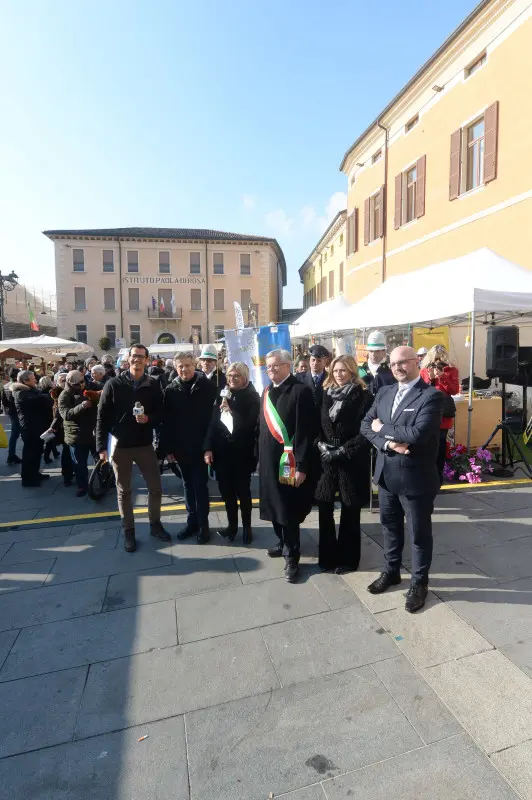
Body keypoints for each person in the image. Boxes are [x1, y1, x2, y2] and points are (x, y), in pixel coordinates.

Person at [360, 346, 444, 613]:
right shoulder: (384, 392)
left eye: (403, 362)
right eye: (393, 363)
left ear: (416, 362)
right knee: (389, 528)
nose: (397, 367)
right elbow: (365, 426)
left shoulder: (431, 396)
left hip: (416, 479)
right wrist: (388, 444)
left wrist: (382, 428)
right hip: (386, 476)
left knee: (419, 534)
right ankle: (392, 571)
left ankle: (419, 583)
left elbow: (418, 433)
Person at [96, 344, 171, 552]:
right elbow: (101, 416)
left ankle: (155, 524)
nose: (137, 359)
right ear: (128, 358)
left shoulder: (153, 384)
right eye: (134, 356)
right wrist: (101, 447)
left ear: (147, 360)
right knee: (124, 490)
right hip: (120, 446)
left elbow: (161, 414)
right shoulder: (113, 383)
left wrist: (149, 418)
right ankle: (128, 531)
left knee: (155, 487)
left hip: (144, 444)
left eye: (141, 356)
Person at [259, 349, 318, 583]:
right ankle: (282, 541)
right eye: (268, 366)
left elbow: (305, 432)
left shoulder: (300, 391)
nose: (271, 369)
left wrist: (302, 465)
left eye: (275, 365)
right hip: (268, 461)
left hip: (289, 461)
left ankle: (292, 557)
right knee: (274, 505)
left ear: (287, 366)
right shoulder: (266, 391)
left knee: (288, 509)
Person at [315, 356, 373, 573]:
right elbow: (316, 425)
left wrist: (342, 450)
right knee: (324, 507)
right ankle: (327, 557)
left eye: (343, 370)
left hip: (351, 461)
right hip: (327, 461)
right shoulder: (325, 394)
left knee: (350, 511)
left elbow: (367, 432)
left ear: (352, 372)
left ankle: (348, 560)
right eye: (335, 371)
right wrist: (320, 444)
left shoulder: (364, 397)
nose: (338, 375)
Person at [160, 352, 218, 543]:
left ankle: (203, 525)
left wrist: (209, 446)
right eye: (180, 366)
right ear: (176, 368)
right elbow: (166, 422)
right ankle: (191, 522)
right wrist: (168, 449)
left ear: (195, 365)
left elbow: (213, 420)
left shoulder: (208, 387)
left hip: (202, 447)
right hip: (181, 448)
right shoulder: (171, 390)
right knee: (187, 485)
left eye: (188, 365)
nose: (184, 369)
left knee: (200, 485)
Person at [204, 362, 260, 543]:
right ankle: (232, 526)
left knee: (243, 492)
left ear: (245, 377)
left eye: (237, 376)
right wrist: (208, 447)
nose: (232, 379)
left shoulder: (252, 397)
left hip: (242, 453)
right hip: (222, 453)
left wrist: (232, 412)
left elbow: (250, 425)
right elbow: (212, 423)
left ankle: (247, 528)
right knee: (227, 492)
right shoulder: (222, 394)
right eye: (230, 375)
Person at [420, 345, 460, 482]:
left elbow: (454, 390)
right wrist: (430, 379)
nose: (437, 362)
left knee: (441, 444)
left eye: (440, 360)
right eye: (435, 359)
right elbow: (420, 391)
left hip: (443, 413)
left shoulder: (451, 370)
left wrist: (442, 377)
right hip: (427, 412)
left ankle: (438, 477)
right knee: (427, 444)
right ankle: (427, 475)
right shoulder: (425, 370)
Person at [59, 370, 98, 497]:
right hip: (76, 435)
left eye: (82, 382)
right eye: (78, 383)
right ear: (70, 383)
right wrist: (81, 406)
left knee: (100, 459)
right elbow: (66, 414)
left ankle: (106, 479)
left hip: (93, 431)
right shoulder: (64, 395)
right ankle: (82, 486)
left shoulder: (90, 387)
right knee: (79, 464)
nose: (81, 385)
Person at [12, 370, 54, 487]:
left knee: (37, 452)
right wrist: (47, 396)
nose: (35, 380)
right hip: (29, 428)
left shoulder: (31, 390)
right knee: (30, 454)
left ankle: (35, 473)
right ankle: (28, 479)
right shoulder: (21, 393)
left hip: (38, 426)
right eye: (33, 378)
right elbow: (40, 400)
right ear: (25, 381)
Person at [49, 372, 74, 486]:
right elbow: (57, 413)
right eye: (62, 380)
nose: (64, 382)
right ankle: (67, 475)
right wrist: (53, 426)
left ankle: (70, 472)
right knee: (67, 451)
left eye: (66, 379)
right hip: (63, 426)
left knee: (71, 451)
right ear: (57, 382)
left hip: (72, 425)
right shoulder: (56, 394)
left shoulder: (73, 390)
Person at [360, 330, 396, 395]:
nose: (373, 354)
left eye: (377, 351)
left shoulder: (392, 371)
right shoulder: (360, 370)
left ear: (384, 352)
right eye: (371, 351)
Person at [297, 344, 329, 408]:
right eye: (313, 360)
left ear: (325, 362)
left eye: (319, 361)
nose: (315, 363)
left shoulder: (330, 378)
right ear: (309, 361)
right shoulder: (299, 378)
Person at [1, 367, 22, 465]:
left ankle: (11, 455)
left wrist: (8, 411)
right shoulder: (18, 386)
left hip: (12, 412)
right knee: (18, 433)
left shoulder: (5, 386)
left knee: (15, 434)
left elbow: (3, 401)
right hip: (19, 412)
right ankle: (11, 455)